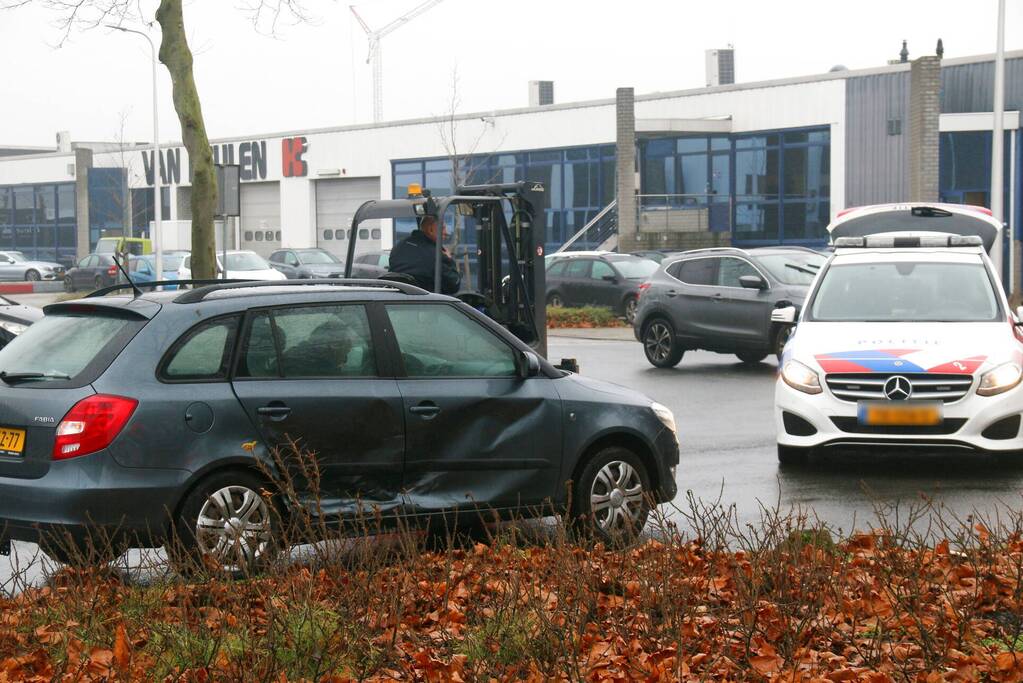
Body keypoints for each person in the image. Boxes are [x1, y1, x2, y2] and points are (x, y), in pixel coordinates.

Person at [388, 215, 461, 295]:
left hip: (395, 298)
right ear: (431, 230)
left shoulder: (399, 246)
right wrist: (449, 260)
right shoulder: (436, 254)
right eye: (443, 228)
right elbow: (454, 285)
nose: (446, 232)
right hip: (425, 302)